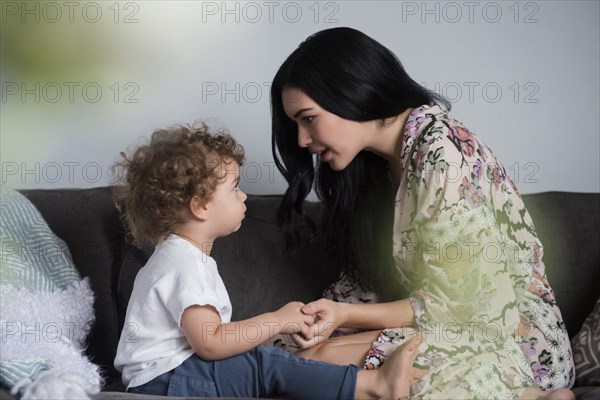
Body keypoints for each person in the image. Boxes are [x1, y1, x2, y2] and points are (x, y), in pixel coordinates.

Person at [270, 27, 575, 400]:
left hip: (515, 338)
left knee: (311, 365)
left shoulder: (441, 152)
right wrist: (318, 319)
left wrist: (343, 318)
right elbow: (362, 288)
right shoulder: (375, 169)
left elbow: (468, 306)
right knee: (286, 356)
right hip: (450, 327)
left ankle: (534, 394)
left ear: (350, 92)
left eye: (309, 118)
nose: (302, 140)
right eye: (295, 125)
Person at [112, 123, 422, 398]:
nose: (243, 196)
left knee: (266, 364)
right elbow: (210, 342)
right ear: (200, 206)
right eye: (234, 188)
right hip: (169, 381)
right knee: (269, 365)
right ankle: (374, 384)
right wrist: (278, 319)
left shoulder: (175, 256)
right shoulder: (184, 263)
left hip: (168, 377)